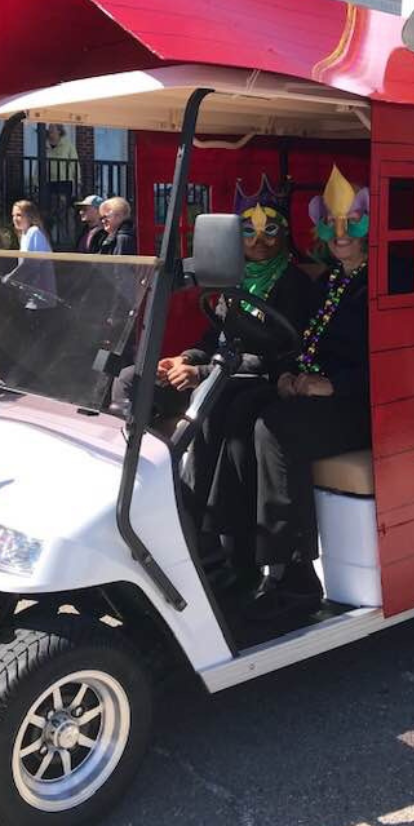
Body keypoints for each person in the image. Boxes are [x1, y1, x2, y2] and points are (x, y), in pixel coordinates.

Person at [205, 165, 371, 622]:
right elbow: (305, 342)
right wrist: (291, 376)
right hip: (320, 394)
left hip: (365, 405)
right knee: (240, 409)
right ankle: (234, 553)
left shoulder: (386, 283)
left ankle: (292, 574)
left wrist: (333, 384)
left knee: (274, 428)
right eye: (332, 226)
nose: (340, 235)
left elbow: (397, 359)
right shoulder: (331, 281)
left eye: (352, 225)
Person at [156, 177, 318, 548]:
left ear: (285, 234)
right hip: (225, 370)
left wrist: (200, 373)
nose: (258, 241)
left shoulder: (294, 284)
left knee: (223, 406)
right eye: (247, 232)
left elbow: (274, 353)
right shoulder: (237, 279)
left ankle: (213, 532)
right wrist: (186, 358)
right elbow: (216, 337)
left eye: (269, 231)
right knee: (134, 380)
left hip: (264, 377)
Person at [8, 199, 57, 307]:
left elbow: (32, 262)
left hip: (40, 297)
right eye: (13, 215)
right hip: (29, 296)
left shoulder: (34, 232)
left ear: (29, 216)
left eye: (19, 215)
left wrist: (12, 277)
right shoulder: (24, 235)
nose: (15, 219)